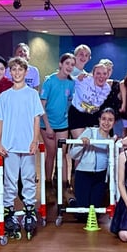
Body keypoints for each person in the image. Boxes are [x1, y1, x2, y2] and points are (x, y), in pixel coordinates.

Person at [0, 56, 45, 240]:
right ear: (10, 72)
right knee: (10, 180)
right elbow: (0, 120)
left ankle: (29, 211)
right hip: (9, 145)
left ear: (26, 72)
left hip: (27, 144)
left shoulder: (32, 94)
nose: (17, 73)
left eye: (20, 69)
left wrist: (35, 140)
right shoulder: (4, 96)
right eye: (14, 69)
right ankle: (9, 211)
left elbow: (36, 118)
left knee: (28, 178)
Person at [69, 108, 117, 216]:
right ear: (99, 120)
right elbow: (73, 154)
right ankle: (71, 200)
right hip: (84, 174)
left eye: (110, 120)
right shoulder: (89, 132)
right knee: (82, 214)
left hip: (100, 176)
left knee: (94, 214)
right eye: (104, 119)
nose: (106, 122)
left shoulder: (112, 140)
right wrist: (81, 144)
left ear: (114, 122)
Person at [40, 53, 76, 188]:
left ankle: (64, 184)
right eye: (67, 63)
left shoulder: (71, 83)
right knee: (51, 153)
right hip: (47, 124)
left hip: (62, 123)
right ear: (61, 64)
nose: (70, 67)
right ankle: (48, 183)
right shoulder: (49, 81)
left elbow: (71, 100)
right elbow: (41, 106)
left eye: (72, 65)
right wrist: (48, 126)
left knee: (62, 153)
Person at [68, 62, 111, 139]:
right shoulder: (84, 79)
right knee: (80, 142)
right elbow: (69, 79)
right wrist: (78, 77)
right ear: (93, 74)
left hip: (92, 115)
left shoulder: (107, 88)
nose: (101, 76)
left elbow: (96, 105)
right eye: (98, 73)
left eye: (104, 74)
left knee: (93, 142)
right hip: (77, 114)